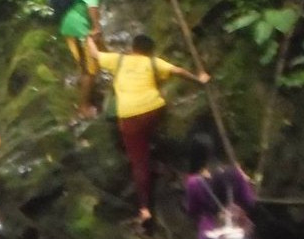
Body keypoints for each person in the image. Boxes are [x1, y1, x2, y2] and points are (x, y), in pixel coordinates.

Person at [87, 34, 211, 225]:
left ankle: (145, 208)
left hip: (130, 116)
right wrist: (199, 79)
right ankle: (189, 167)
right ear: (150, 51)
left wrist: (88, 38)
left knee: (139, 162)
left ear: (132, 48)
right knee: (154, 132)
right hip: (154, 110)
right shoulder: (154, 62)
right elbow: (178, 71)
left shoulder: (118, 60)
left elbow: (95, 55)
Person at [58, 0, 110, 118]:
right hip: (76, 27)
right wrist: (96, 26)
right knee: (89, 70)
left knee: (93, 62)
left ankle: (92, 93)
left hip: (77, 24)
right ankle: (82, 108)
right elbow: (91, 4)